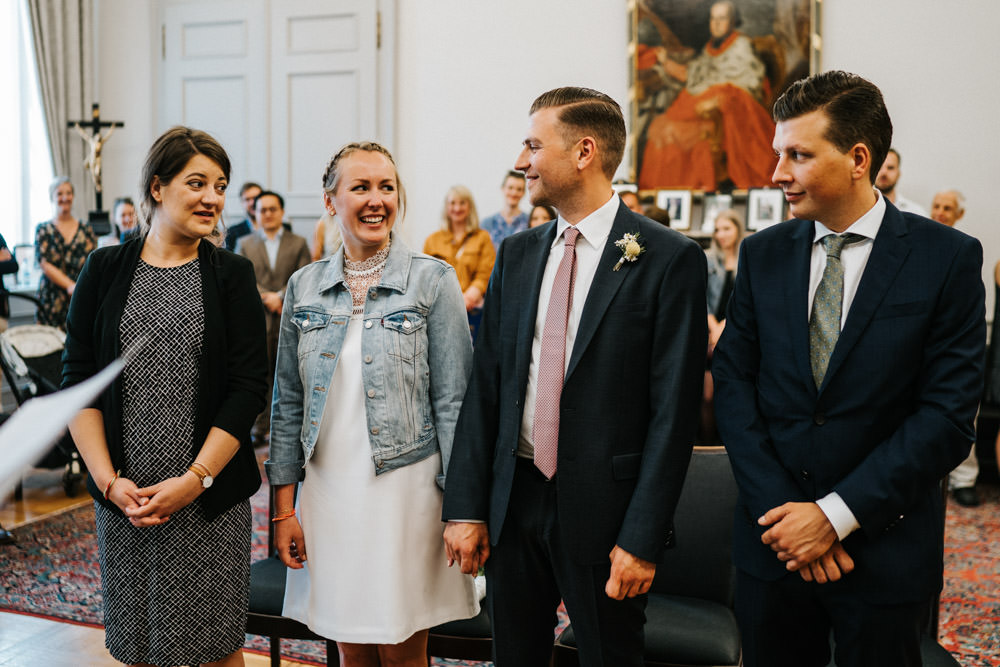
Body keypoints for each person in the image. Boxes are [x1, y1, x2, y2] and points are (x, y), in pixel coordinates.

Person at [713, 71, 985, 667]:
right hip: (774, 546)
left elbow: (944, 418)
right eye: (777, 153)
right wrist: (792, 520)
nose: (776, 172)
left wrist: (835, 517)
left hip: (884, 549)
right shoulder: (764, 254)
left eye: (798, 155)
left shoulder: (947, 259)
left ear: (858, 158)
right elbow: (733, 384)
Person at [442, 86, 707, 666]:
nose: (522, 161)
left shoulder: (668, 258)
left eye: (534, 146)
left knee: (609, 657)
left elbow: (673, 413)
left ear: (584, 151)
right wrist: (466, 506)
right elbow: (486, 387)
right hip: (516, 498)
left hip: (605, 509)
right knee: (515, 656)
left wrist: (641, 536)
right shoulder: (516, 252)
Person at [267, 141, 479, 666]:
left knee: (402, 644)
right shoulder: (305, 286)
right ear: (330, 199)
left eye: (386, 186)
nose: (376, 199)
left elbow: (455, 402)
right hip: (329, 494)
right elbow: (288, 403)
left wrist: (462, 508)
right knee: (349, 641)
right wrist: (283, 507)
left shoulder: (433, 280)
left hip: (406, 493)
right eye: (360, 187)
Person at [62, 126, 268, 667]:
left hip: (208, 501)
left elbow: (249, 388)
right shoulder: (103, 269)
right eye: (196, 182)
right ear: (157, 187)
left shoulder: (232, 274)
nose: (213, 198)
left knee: (214, 649)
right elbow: (77, 381)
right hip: (126, 501)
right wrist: (109, 483)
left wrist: (195, 480)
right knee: (140, 648)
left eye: (220, 186)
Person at [638, 0, 777, 191]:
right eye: (713, 19)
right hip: (696, 108)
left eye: (722, 18)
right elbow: (693, 76)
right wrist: (666, 62)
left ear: (732, 21)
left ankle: (698, 189)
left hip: (728, 112)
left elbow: (748, 83)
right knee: (661, 128)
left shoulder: (741, 46)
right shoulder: (709, 48)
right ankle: (663, 195)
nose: (716, 23)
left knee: (688, 136)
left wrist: (718, 95)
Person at [236, 189, 311, 445]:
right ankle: (259, 428)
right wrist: (267, 297)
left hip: (288, 316)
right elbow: (241, 279)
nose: (267, 214)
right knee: (260, 373)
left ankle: (287, 428)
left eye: (272, 209)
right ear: (254, 213)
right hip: (257, 317)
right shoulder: (245, 243)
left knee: (289, 371)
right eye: (262, 210)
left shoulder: (298, 242)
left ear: (281, 212)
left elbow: (303, 275)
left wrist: (280, 296)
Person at [928, 188, 979, 506]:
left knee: (961, 409)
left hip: (952, 342)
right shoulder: (915, 244)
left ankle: (964, 479)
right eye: (937, 206)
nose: (941, 211)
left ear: (959, 215)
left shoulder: (964, 251)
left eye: (948, 208)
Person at [701, 208, 743, 443]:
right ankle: (708, 445)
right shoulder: (707, 258)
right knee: (707, 396)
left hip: (736, 332)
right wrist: (714, 327)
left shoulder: (747, 256)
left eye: (726, 228)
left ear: (738, 229)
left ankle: (729, 445)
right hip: (709, 334)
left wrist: (726, 325)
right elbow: (701, 296)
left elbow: (746, 298)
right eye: (717, 229)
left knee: (731, 394)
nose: (721, 234)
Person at [422, 185, 496, 316]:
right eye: (452, 203)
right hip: (439, 309)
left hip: (471, 310)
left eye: (462, 203)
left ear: (470, 207)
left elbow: (485, 274)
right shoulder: (432, 240)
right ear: (446, 207)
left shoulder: (482, 238)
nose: (457, 208)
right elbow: (425, 277)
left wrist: (467, 298)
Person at [34, 177, 97, 330]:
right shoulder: (43, 229)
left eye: (68, 193)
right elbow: (45, 264)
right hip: (52, 297)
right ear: (52, 197)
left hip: (81, 295)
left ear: (73, 196)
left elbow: (93, 260)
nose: (64, 197)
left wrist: (80, 288)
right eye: (59, 193)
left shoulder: (86, 228)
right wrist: (70, 286)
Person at [481, 171, 529, 248]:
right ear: (502, 188)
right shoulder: (487, 224)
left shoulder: (529, 222)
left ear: (523, 193)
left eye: (519, 189)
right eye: (510, 188)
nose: (514, 193)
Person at [874, 148, 929, 217]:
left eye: (890, 168)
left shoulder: (917, 213)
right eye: (879, 167)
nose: (884, 172)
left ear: (898, 173)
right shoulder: (860, 211)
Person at [225, 181, 262, 251]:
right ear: (242, 203)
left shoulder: (283, 228)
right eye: (247, 199)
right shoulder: (232, 233)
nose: (252, 203)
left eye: (255, 198)